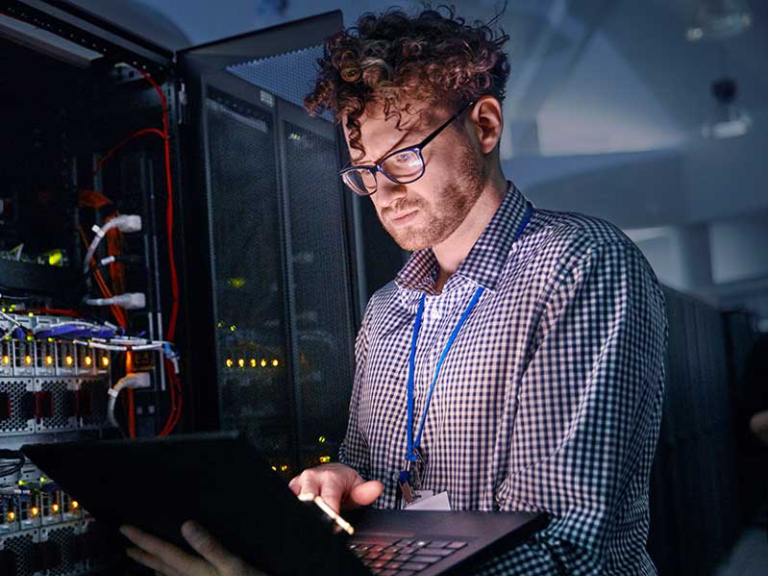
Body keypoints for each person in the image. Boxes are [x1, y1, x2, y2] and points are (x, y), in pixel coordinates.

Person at [122, 5, 668, 575]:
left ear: (483, 125)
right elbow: (370, 492)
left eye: (404, 156)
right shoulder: (387, 312)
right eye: (365, 168)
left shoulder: (578, 265)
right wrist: (345, 481)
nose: (383, 192)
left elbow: (563, 552)